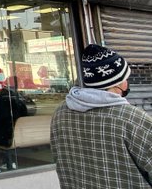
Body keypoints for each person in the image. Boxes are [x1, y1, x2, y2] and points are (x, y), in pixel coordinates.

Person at [50, 44, 152, 188]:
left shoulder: (60, 113)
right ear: (117, 83)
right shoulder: (133, 118)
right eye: (126, 77)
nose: (127, 82)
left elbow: (59, 158)